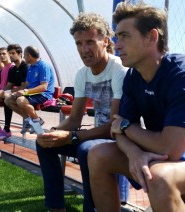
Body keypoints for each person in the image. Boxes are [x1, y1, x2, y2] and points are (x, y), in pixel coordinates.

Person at [87, 2, 185, 212]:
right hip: (162, 154)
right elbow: (117, 128)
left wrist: (127, 128)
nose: (117, 44)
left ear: (151, 37)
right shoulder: (133, 76)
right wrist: (134, 153)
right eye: (117, 37)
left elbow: (170, 149)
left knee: (158, 176)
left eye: (124, 36)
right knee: (98, 155)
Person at [36, 13, 129, 212]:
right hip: (97, 136)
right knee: (44, 144)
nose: (84, 49)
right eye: (79, 43)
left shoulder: (119, 70)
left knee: (86, 149)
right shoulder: (82, 75)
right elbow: (75, 119)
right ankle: (56, 208)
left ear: (105, 41)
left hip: (123, 138)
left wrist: (73, 136)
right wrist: (54, 132)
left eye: (90, 42)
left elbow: (114, 127)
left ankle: (92, 208)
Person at [4, 45, 55, 135]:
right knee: (8, 99)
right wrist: (16, 92)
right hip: (32, 93)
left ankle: (37, 120)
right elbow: (27, 84)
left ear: (29, 56)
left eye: (25, 55)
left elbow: (44, 87)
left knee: (21, 100)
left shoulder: (43, 66)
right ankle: (29, 121)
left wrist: (25, 92)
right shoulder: (31, 67)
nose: (23, 57)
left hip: (44, 94)